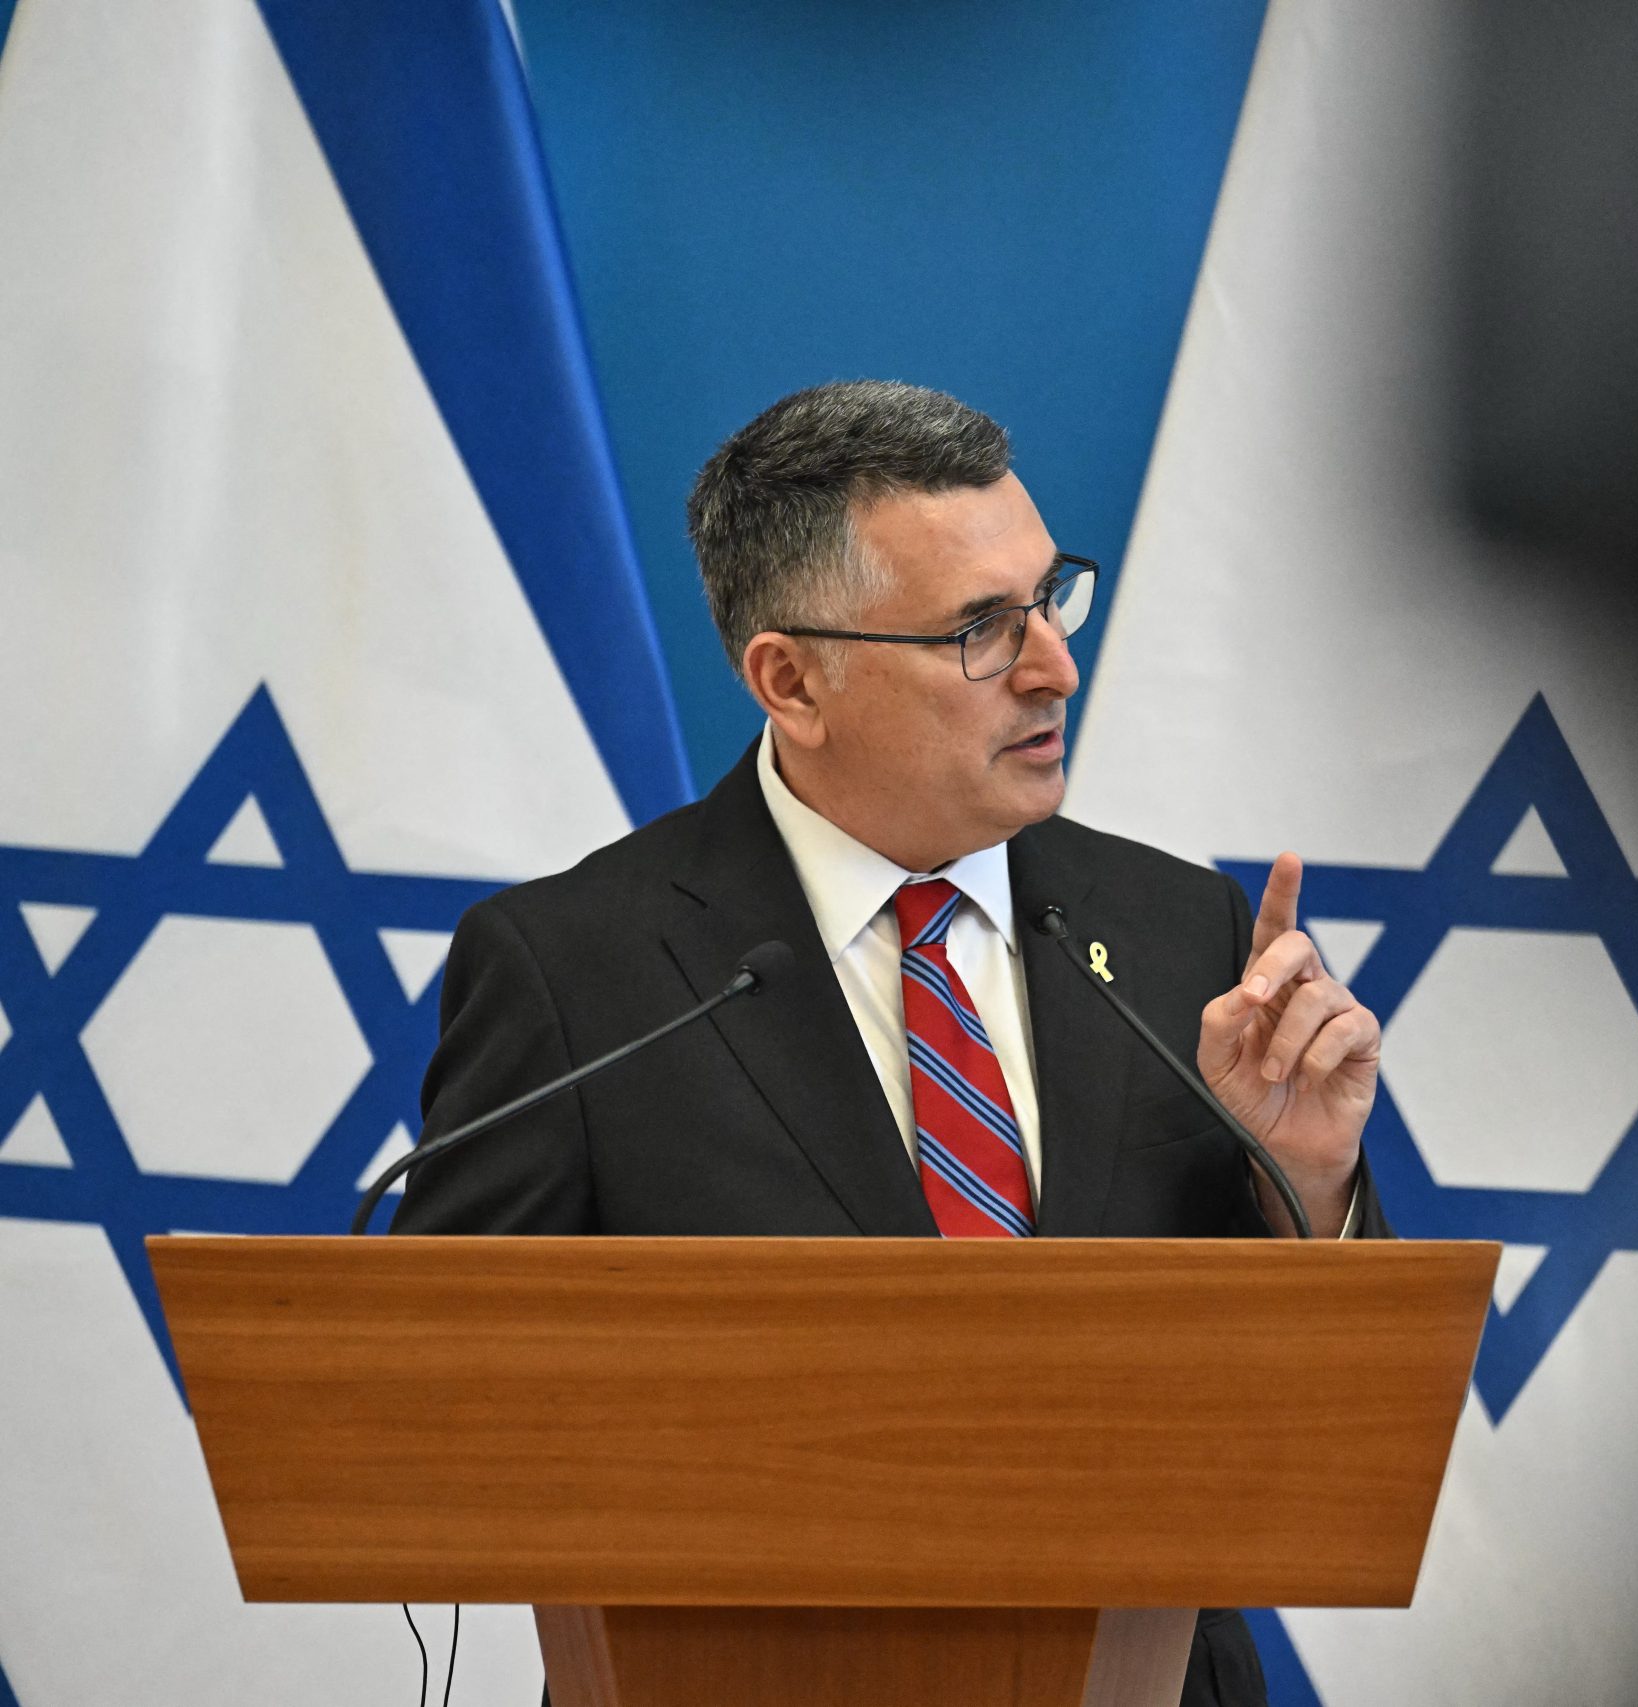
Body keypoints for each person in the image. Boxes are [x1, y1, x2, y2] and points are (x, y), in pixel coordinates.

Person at [394, 380, 1387, 1706]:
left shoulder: (1174, 933)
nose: (1054, 666)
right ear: (792, 681)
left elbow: (1315, 1430)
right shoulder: (581, 973)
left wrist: (1305, 1186)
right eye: (981, 629)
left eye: (1050, 599)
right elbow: (439, 1411)